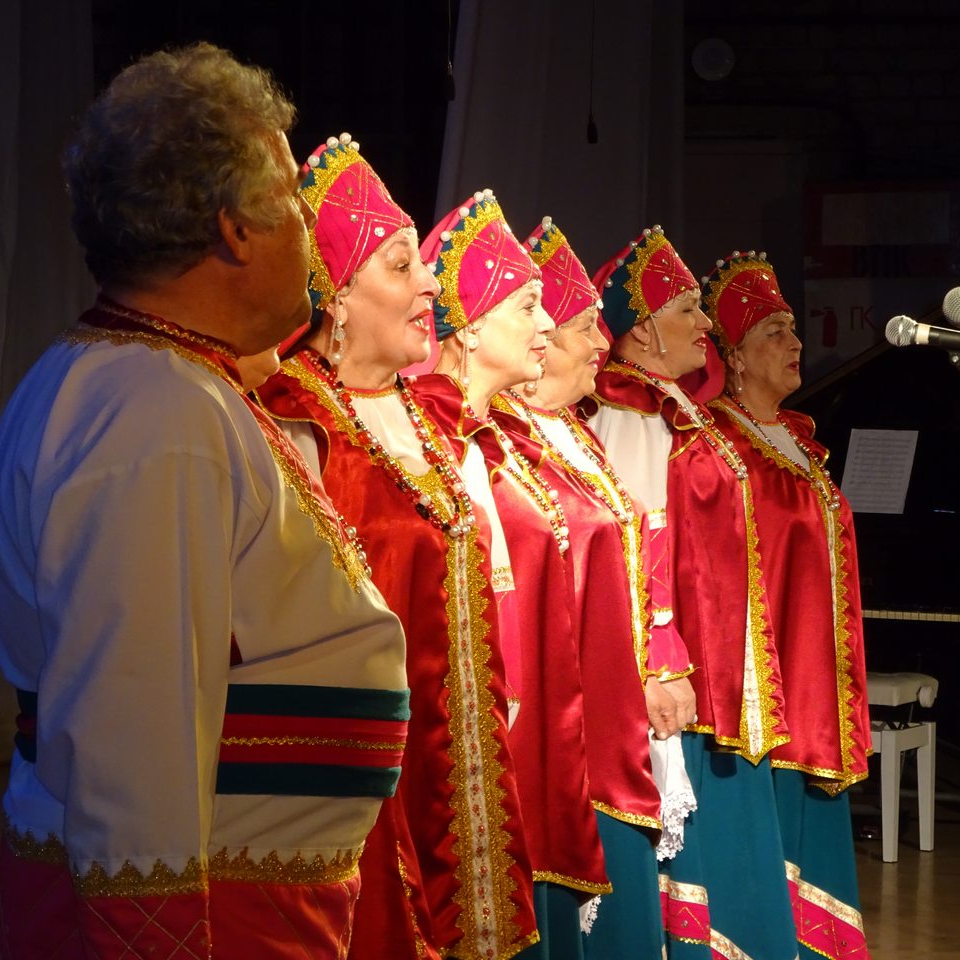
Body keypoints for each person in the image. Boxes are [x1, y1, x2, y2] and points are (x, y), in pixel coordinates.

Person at [0, 45, 408, 960]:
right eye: (292, 197)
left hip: (248, 899)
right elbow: (133, 751)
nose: (309, 226)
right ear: (233, 229)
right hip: (216, 913)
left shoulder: (155, 388)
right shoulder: (157, 413)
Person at [254, 139, 535, 960]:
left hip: (454, 763)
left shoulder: (422, 414)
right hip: (367, 773)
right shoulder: (298, 416)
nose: (427, 287)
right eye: (401, 265)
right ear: (336, 298)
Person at [584, 226, 798, 959]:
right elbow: (638, 549)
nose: (705, 325)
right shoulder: (632, 411)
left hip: (718, 670)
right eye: (686, 311)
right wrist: (662, 659)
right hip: (686, 676)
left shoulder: (673, 408)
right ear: (641, 327)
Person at [410, 191, 611, 958]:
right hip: (467, 739)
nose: (545, 325)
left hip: (523, 732)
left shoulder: (485, 439)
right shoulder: (432, 437)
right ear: (467, 325)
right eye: (528, 306)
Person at [492, 218, 697, 959]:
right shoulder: (502, 441)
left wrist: (655, 662)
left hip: (611, 714)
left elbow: (640, 558)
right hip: (569, 723)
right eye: (582, 325)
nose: (598, 343)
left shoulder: (573, 434)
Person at [702, 251, 871, 959]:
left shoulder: (801, 445)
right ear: (734, 355)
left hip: (819, 687)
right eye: (774, 331)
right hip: (769, 697)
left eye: (795, 328)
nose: (795, 343)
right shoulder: (723, 443)